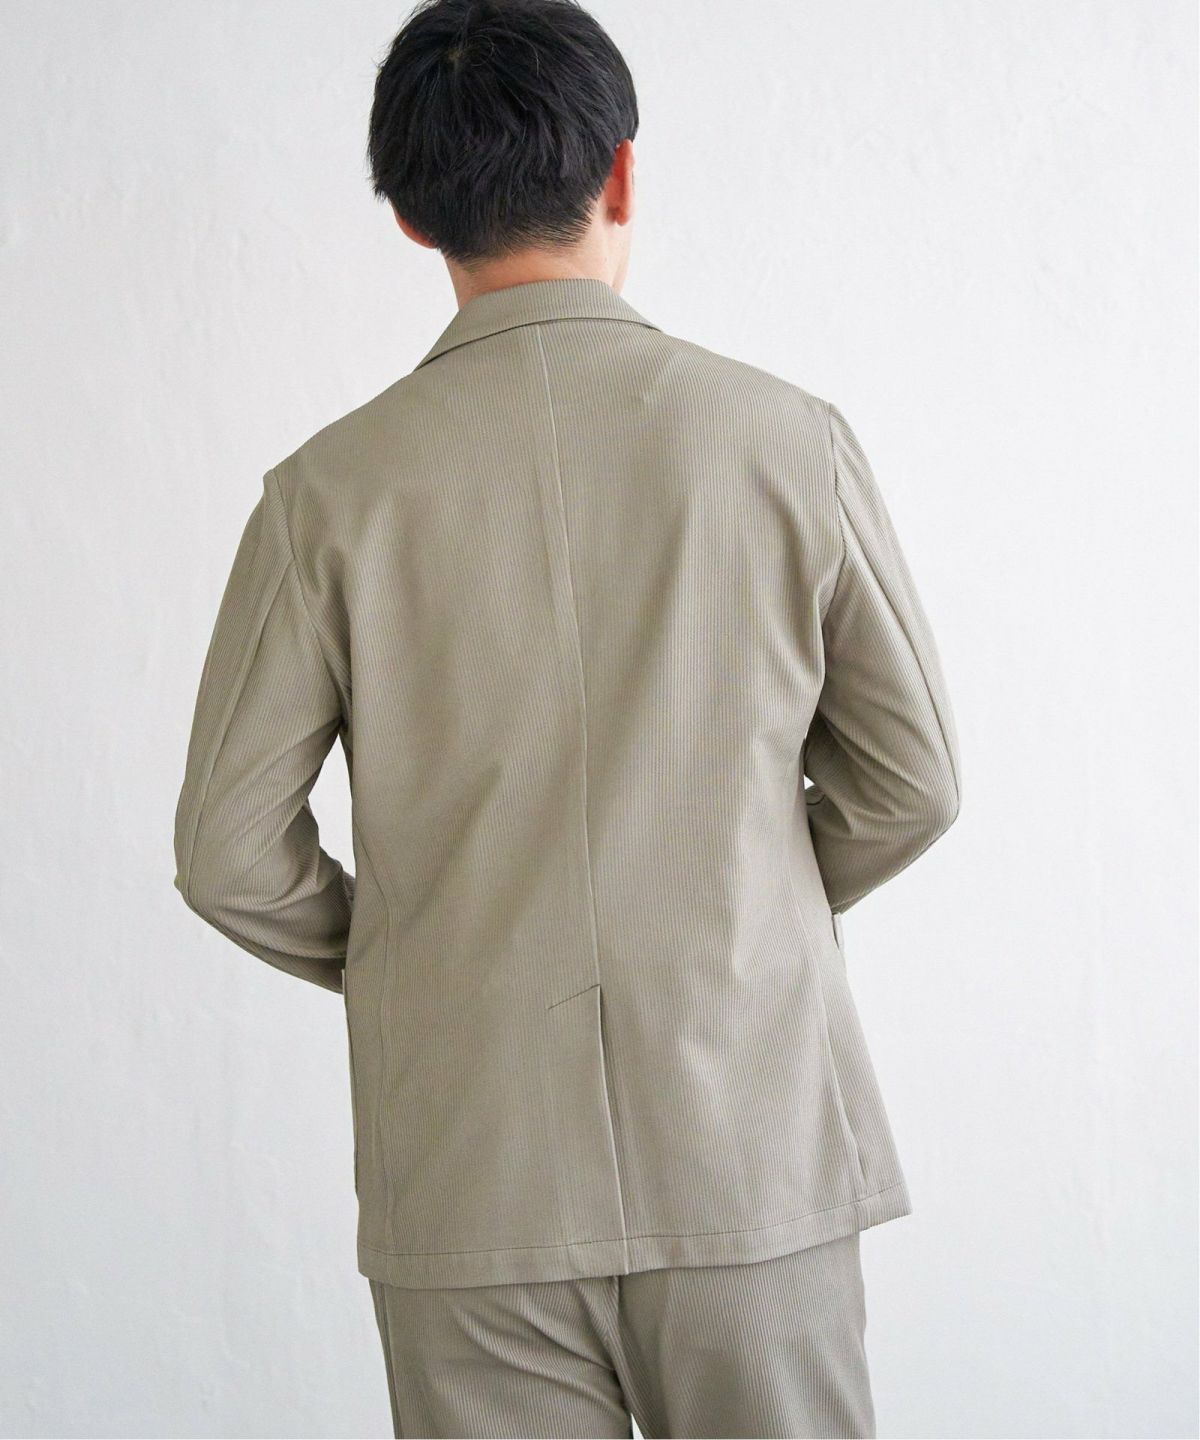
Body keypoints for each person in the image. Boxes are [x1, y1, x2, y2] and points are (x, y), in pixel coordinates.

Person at [171, 0, 962, 1434]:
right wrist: (740, 906)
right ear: (621, 171)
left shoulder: (325, 495)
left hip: (472, 1172)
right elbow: (912, 781)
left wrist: (431, 954)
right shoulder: (790, 441)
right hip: (750, 1146)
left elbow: (228, 853)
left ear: (412, 215)